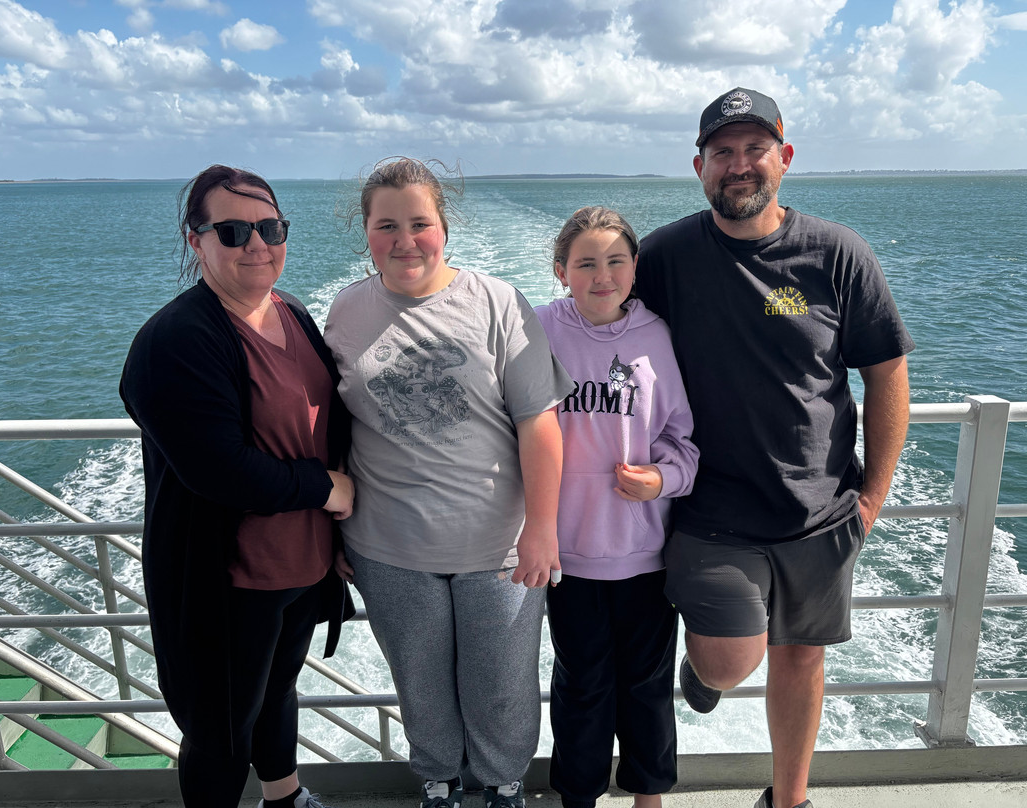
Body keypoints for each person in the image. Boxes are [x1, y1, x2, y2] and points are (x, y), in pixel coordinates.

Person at [636, 88, 915, 808]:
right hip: (711, 507)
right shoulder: (664, 256)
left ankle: (788, 801)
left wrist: (872, 498)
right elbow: (602, 328)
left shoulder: (838, 253)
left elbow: (886, 373)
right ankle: (703, 671)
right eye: (722, 152)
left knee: (801, 658)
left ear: (784, 158)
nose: (739, 165)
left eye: (755, 149)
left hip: (820, 510)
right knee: (728, 663)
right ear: (699, 167)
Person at [322, 157, 574, 808]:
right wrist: (329, 531)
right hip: (387, 545)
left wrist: (543, 528)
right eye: (387, 226)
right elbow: (335, 424)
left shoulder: (497, 302)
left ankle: (503, 784)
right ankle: (438, 781)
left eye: (419, 223)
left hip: (498, 546)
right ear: (366, 232)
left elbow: (539, 423)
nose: (405, 240)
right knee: (421, 684)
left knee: (502, 685)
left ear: (444, 227)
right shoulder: (346, 311)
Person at [120, 165, 356, 808]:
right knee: (219, 730)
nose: (256, 244)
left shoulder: (292, 312)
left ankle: (285, 796)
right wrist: (324, 488)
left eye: (270, 228)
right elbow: (216, 468)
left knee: (278, 691)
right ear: (195, 241)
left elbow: (323, 423)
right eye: (232, 231)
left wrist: (340, 535)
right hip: (230, 580)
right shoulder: (175, 341)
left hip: (303, 566)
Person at [535, 207, 699, 808]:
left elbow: (683, 440)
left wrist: (662, 479)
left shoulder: (657, 336)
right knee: (580, 686)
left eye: (615, 261)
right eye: (585, 263)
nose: (602, 276)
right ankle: (577, 796)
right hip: (566, 554)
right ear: (561, 271)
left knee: (648, 687)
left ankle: (648, 797)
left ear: (634, 268)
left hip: (645, 555)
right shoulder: (537, 329)